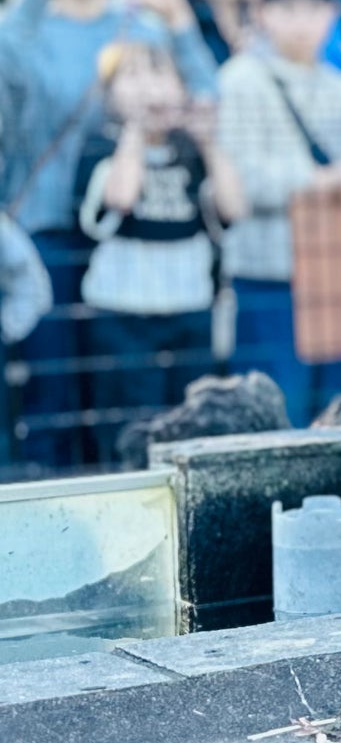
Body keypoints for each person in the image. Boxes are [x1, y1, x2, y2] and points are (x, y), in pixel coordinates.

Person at [0, 0, 216, 466]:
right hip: (48, 231)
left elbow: (205, 99)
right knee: (53, 385)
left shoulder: (140, 27)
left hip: (130, 233)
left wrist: (177, 15)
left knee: (118, 391)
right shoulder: (24, 28)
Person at [217, 0, 341, 423]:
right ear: (262, 13)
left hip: (338, 271)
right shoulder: (240, 79)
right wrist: (328, 180)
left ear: (332, 14)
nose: (301, 22)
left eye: (313, 9)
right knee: (273, 409)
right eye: (287, 9)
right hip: (269, 272)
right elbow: (245, 180)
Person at [75, 41, 244, 462]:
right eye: (132, 76)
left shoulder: (193, 150)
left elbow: (234, 207)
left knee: (192, 417)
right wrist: (135, 132)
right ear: (109, 93)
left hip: (189, 308)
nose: (149, 87)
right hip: (122, 313)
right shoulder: (102, 146)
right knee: (128, 420)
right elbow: (120, 197)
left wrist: (208, 142)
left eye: (161, 74)